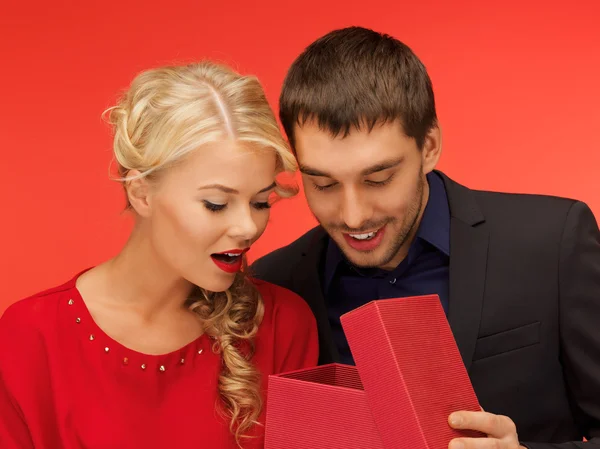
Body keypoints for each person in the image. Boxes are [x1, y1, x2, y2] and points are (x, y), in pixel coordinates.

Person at [251, 26, 600, 449]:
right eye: (323, 184)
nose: (353, 214)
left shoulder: (551, 243)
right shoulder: (275, 286)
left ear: (429, 146)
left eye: (379, 178)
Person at [0, 61, 318, 449]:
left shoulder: (283, 325)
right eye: (216, 204)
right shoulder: (31, 338)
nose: (248, 227)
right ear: (141, 192)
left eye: (260, 201)